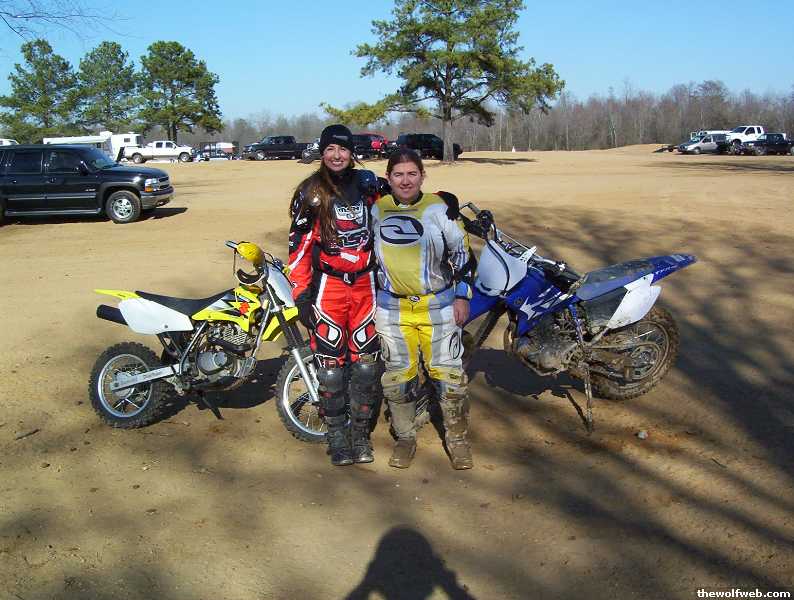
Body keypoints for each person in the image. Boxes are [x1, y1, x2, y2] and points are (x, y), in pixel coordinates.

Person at [371, 149, 476, 470]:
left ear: (422, 176)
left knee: (450, 379)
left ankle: (457, 441)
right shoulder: (376, 209)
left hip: (438, 307)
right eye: (398, 174)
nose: (405, 181)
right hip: (392, 309)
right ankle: (405, 438)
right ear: (388, 178)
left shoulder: (439, 208)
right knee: (397, 379)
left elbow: (463, 254)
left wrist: (462, 296)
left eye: (412, 174)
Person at [287, 124, 380, 466]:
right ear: (322, 152)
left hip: (366, 286)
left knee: (367, 366)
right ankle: (337, 436)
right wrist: (301, 294)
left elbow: (402, 201)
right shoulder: (310, 192)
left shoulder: (369, 185)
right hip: (329, 287)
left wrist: (443, 203)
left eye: (342, 149)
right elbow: (298, 247)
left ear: (352, 152)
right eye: (330, 149)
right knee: (330, 368)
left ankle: (361, 435)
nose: (337, 155)